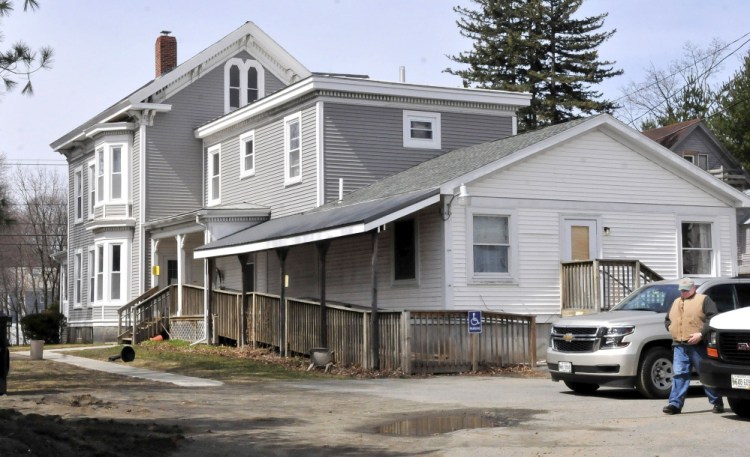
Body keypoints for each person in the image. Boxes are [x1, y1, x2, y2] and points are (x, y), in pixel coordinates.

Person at [662, 277, 724, 414]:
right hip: (679, 345)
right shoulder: (676, 302)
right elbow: (668, 319)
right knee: (679, 375)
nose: (683, 292)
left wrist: (701, 335)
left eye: (686, 290)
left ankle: (717, 402)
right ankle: (674, 405)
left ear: (693, 288)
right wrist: (671, 328)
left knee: (705, 374)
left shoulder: (704, 300)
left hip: (699, 345)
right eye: (681, 290)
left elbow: (713, 318)